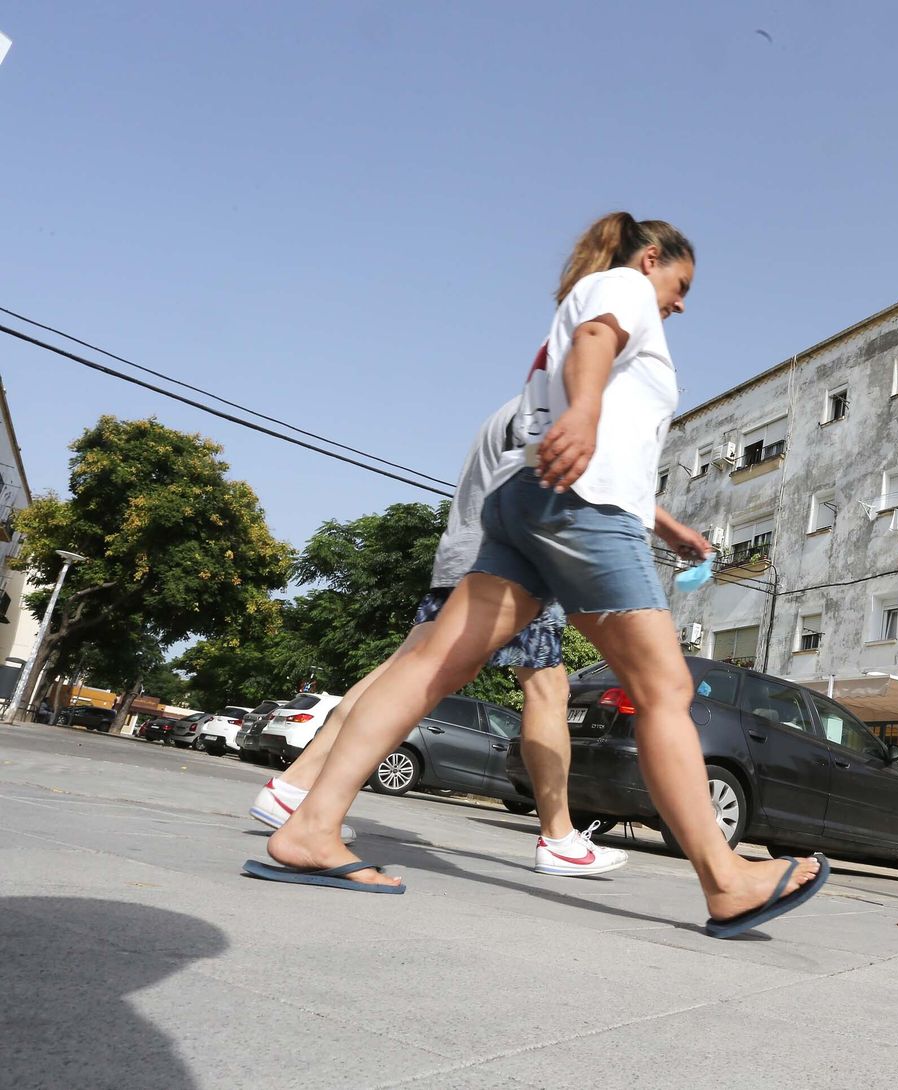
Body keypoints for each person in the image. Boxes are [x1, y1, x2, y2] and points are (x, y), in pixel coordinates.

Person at [251, 213, 828, 936]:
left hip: (528, 501)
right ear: (652, 260)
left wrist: (665, 521)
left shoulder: (581, 305)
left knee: (430, 665)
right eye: (682, 284)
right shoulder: (622, 289)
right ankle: (725, 878)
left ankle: (312, 825)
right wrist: (586, 413)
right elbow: (595, 358)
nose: (682, 303)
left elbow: (588, 426)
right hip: (583, 510)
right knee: (665, 688)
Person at [247, 397, 627, 876]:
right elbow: (553, 491)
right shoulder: (562, 405)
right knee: (546, 689)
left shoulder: (521, 404)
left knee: (402, 671)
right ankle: (558, 838)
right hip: (509, 565)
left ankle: (295, 787)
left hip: (464, 555)